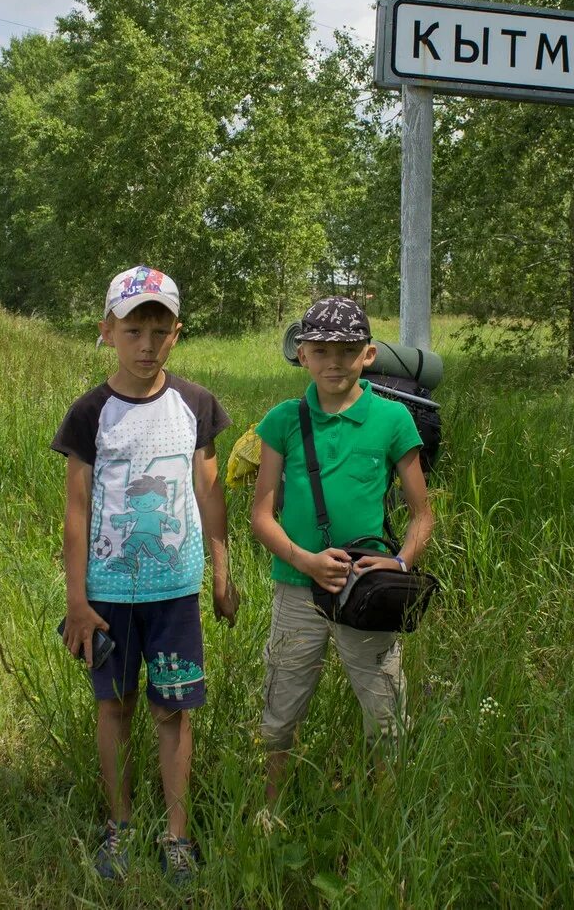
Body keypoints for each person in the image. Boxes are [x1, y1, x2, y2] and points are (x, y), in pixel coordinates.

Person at [52, 265, 239, 882]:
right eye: (134, 329)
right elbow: (77, 513)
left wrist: (219, 572)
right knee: (115, 707)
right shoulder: (90, 413)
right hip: (107, 595)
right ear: (108, 331)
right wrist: (77, 601)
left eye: (160, 330)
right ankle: (120, 826)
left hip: (176, 592)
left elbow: (209, 493)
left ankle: (177, 835)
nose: (147, 344)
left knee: (173, 710)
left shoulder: (195, 405)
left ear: (177, 334)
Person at [249, 296, 434, 804]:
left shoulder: (393, 420)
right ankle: (270, 810)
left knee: (386, 714)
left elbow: (423, 515)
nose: (335, 362)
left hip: (367, 593)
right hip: (296, 590)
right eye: (322, 349)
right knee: (280, 712)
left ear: (368, 355)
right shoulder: (283, 421)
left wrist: (399, 564)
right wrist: (304, 561)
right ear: (302, 353)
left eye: (348, 350)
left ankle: (388, 816)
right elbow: (261, 517)